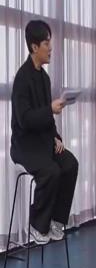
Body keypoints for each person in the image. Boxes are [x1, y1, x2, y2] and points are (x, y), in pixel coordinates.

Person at [11, 20, 79, 245]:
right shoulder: (22, 79)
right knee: (51, 171)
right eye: (46, 44)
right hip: (25, 146)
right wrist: (50, 109)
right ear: (34, 47)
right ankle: (37, 224)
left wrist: (56, 137)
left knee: (70, 164)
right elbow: (25, 119)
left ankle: (56, 221)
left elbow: (46, 118)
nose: (51, 48)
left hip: (44, 141)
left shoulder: (45, 77)